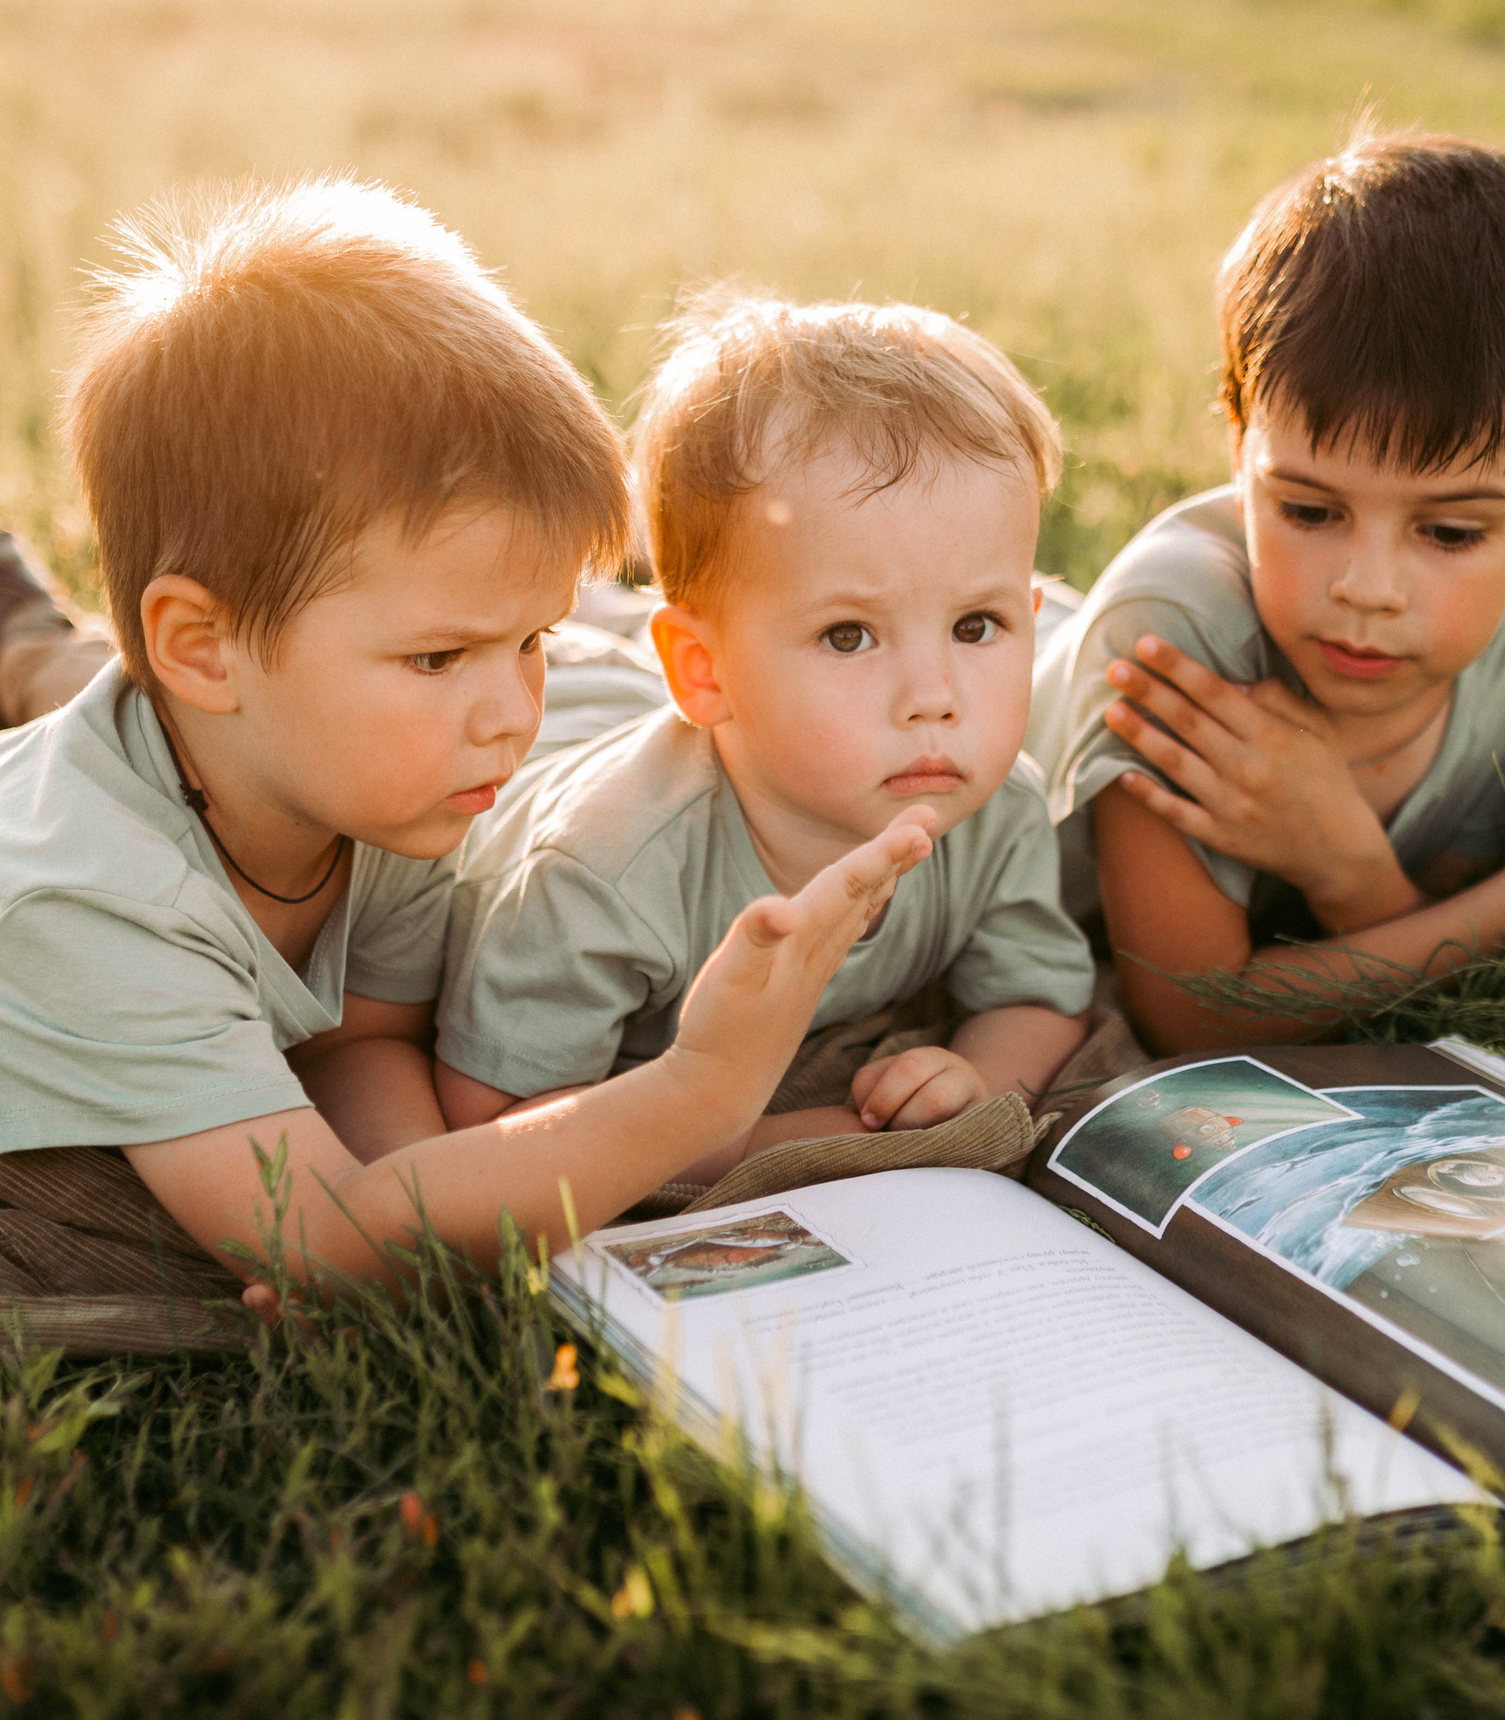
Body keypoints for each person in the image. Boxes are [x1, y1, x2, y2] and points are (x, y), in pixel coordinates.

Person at [0, 179, 935, 1300]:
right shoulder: (83, 910)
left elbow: (358, 1051)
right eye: (439, 656)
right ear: (197, 645)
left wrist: (409, 1193)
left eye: (533, 639)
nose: (511, 710)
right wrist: (696, 1089)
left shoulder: (390, 786)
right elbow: (330, 1239)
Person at [436, 294, 1095, 1183]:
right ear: (704, 671)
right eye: (849, 636)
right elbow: (488, 1119)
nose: (935, 699)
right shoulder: (606, 872)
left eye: (977, 626)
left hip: (672, 700)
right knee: (563, 652)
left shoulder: (992, 806)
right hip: (561, 741)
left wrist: (979, 1075)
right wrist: (772, 1142)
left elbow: (1039, 999)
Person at [1027, 128, 1505, 1052]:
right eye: (1310, 511)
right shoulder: (1174, 634)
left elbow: (1398, 920)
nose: (1367, 590)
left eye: (1450, 533)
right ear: (1241, 455)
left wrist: (1347, 867)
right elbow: (1191, 1013)